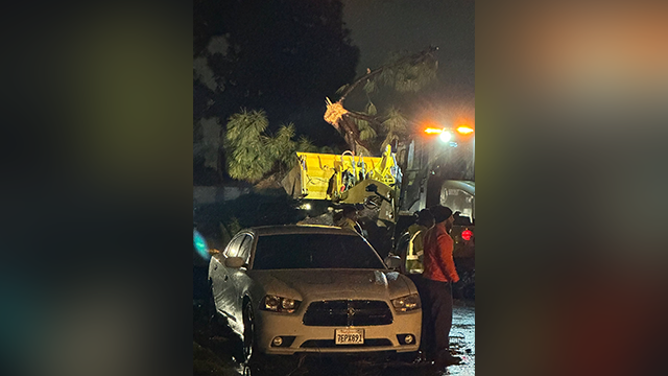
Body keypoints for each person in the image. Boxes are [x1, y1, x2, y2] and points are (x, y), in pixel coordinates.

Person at [421, 205, 461, 367]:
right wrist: (455, 279)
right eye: (451, 217)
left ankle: (430, 350)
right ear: (446, 218)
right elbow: (446, 261)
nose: (452, 220)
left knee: (431, 318)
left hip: (428, 279)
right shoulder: (444, 237)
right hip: (440, 282)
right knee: (442, 319)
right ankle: (441, 353)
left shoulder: (430, 233)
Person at [405, 209, 435, 274]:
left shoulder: (414, 231)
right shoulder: (422, 233)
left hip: (412, 268)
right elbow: (421, 252)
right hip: (419, 269)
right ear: (427, 221)